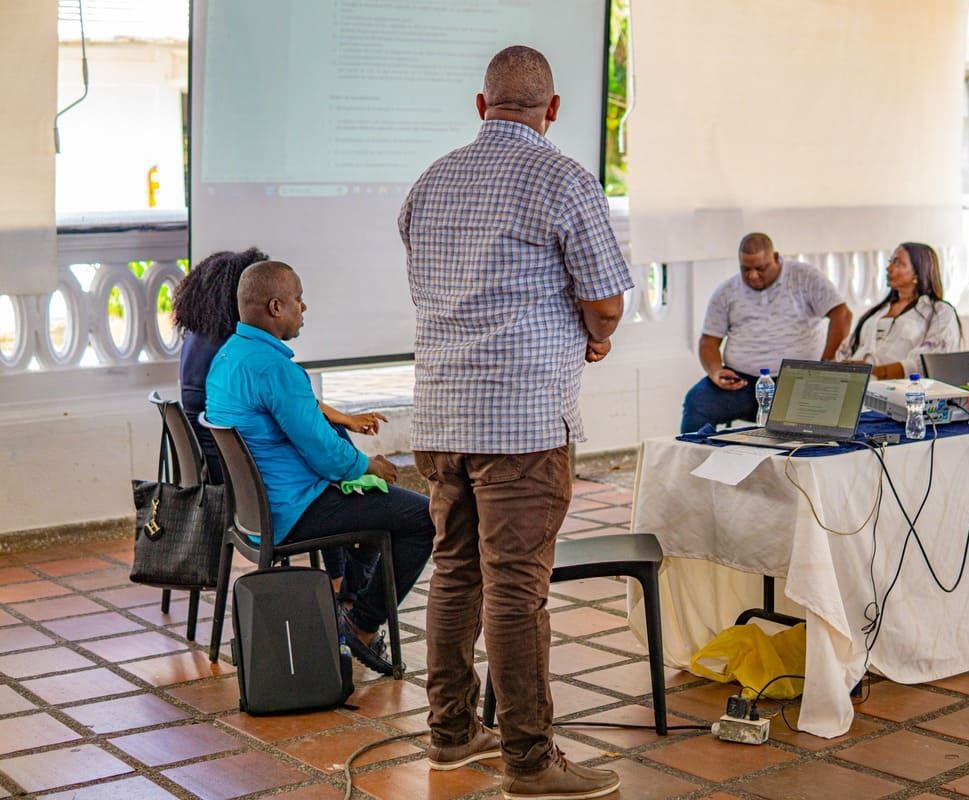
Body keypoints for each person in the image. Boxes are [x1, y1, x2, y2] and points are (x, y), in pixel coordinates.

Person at [399, 45, 632, 800]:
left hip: (440, 416)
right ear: (552, 109)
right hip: (522, 421)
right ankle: (530, 761)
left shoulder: (430, 182)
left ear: (481, 105)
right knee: (516, 589)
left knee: (454, 572)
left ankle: (452, 734)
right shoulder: (564, 178)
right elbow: (604, 302)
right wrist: (594, 337)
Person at [205, 260, 435, 675]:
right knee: (423, 517)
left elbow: (309, 431)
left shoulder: (228, 356)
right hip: (293, 511)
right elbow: (325, 454)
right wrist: (370, 465)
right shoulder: (277, 369)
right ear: (277, 307)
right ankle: (361, 626)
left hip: (255, 512)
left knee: (372, 506)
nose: (304, 309)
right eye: (298, 300)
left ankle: (346, 602)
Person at [174, 248, 386, 605]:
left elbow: (286, 402)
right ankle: (341, 581)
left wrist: (341, 419)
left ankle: (342, 577)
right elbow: (285, 400)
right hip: (239, 474)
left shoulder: (202, 339)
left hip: (220, 462)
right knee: (326, 458)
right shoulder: (237, 351)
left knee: (328, 439)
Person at [680, 232, 851, 432]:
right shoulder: (727, 291)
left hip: (798, 381)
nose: (753, 275)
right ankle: (695, 462)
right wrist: (716, 371)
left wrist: (827, 362)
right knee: (697, 403)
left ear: (776, 257)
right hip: (742, 382)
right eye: (746, 269)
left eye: (761, 268)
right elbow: (708, 341)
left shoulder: (804, 278)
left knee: (804, 428)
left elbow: (842, 315)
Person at [836, 242, 963, 379]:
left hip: (901, 392)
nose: (888, 268)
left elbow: (933, 360)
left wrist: (877, 372)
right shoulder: (878, 312)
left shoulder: (939, 311)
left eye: (898, 263)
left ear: (918, 272)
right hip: (858, 385)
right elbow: (846, 350)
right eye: (890, 262)